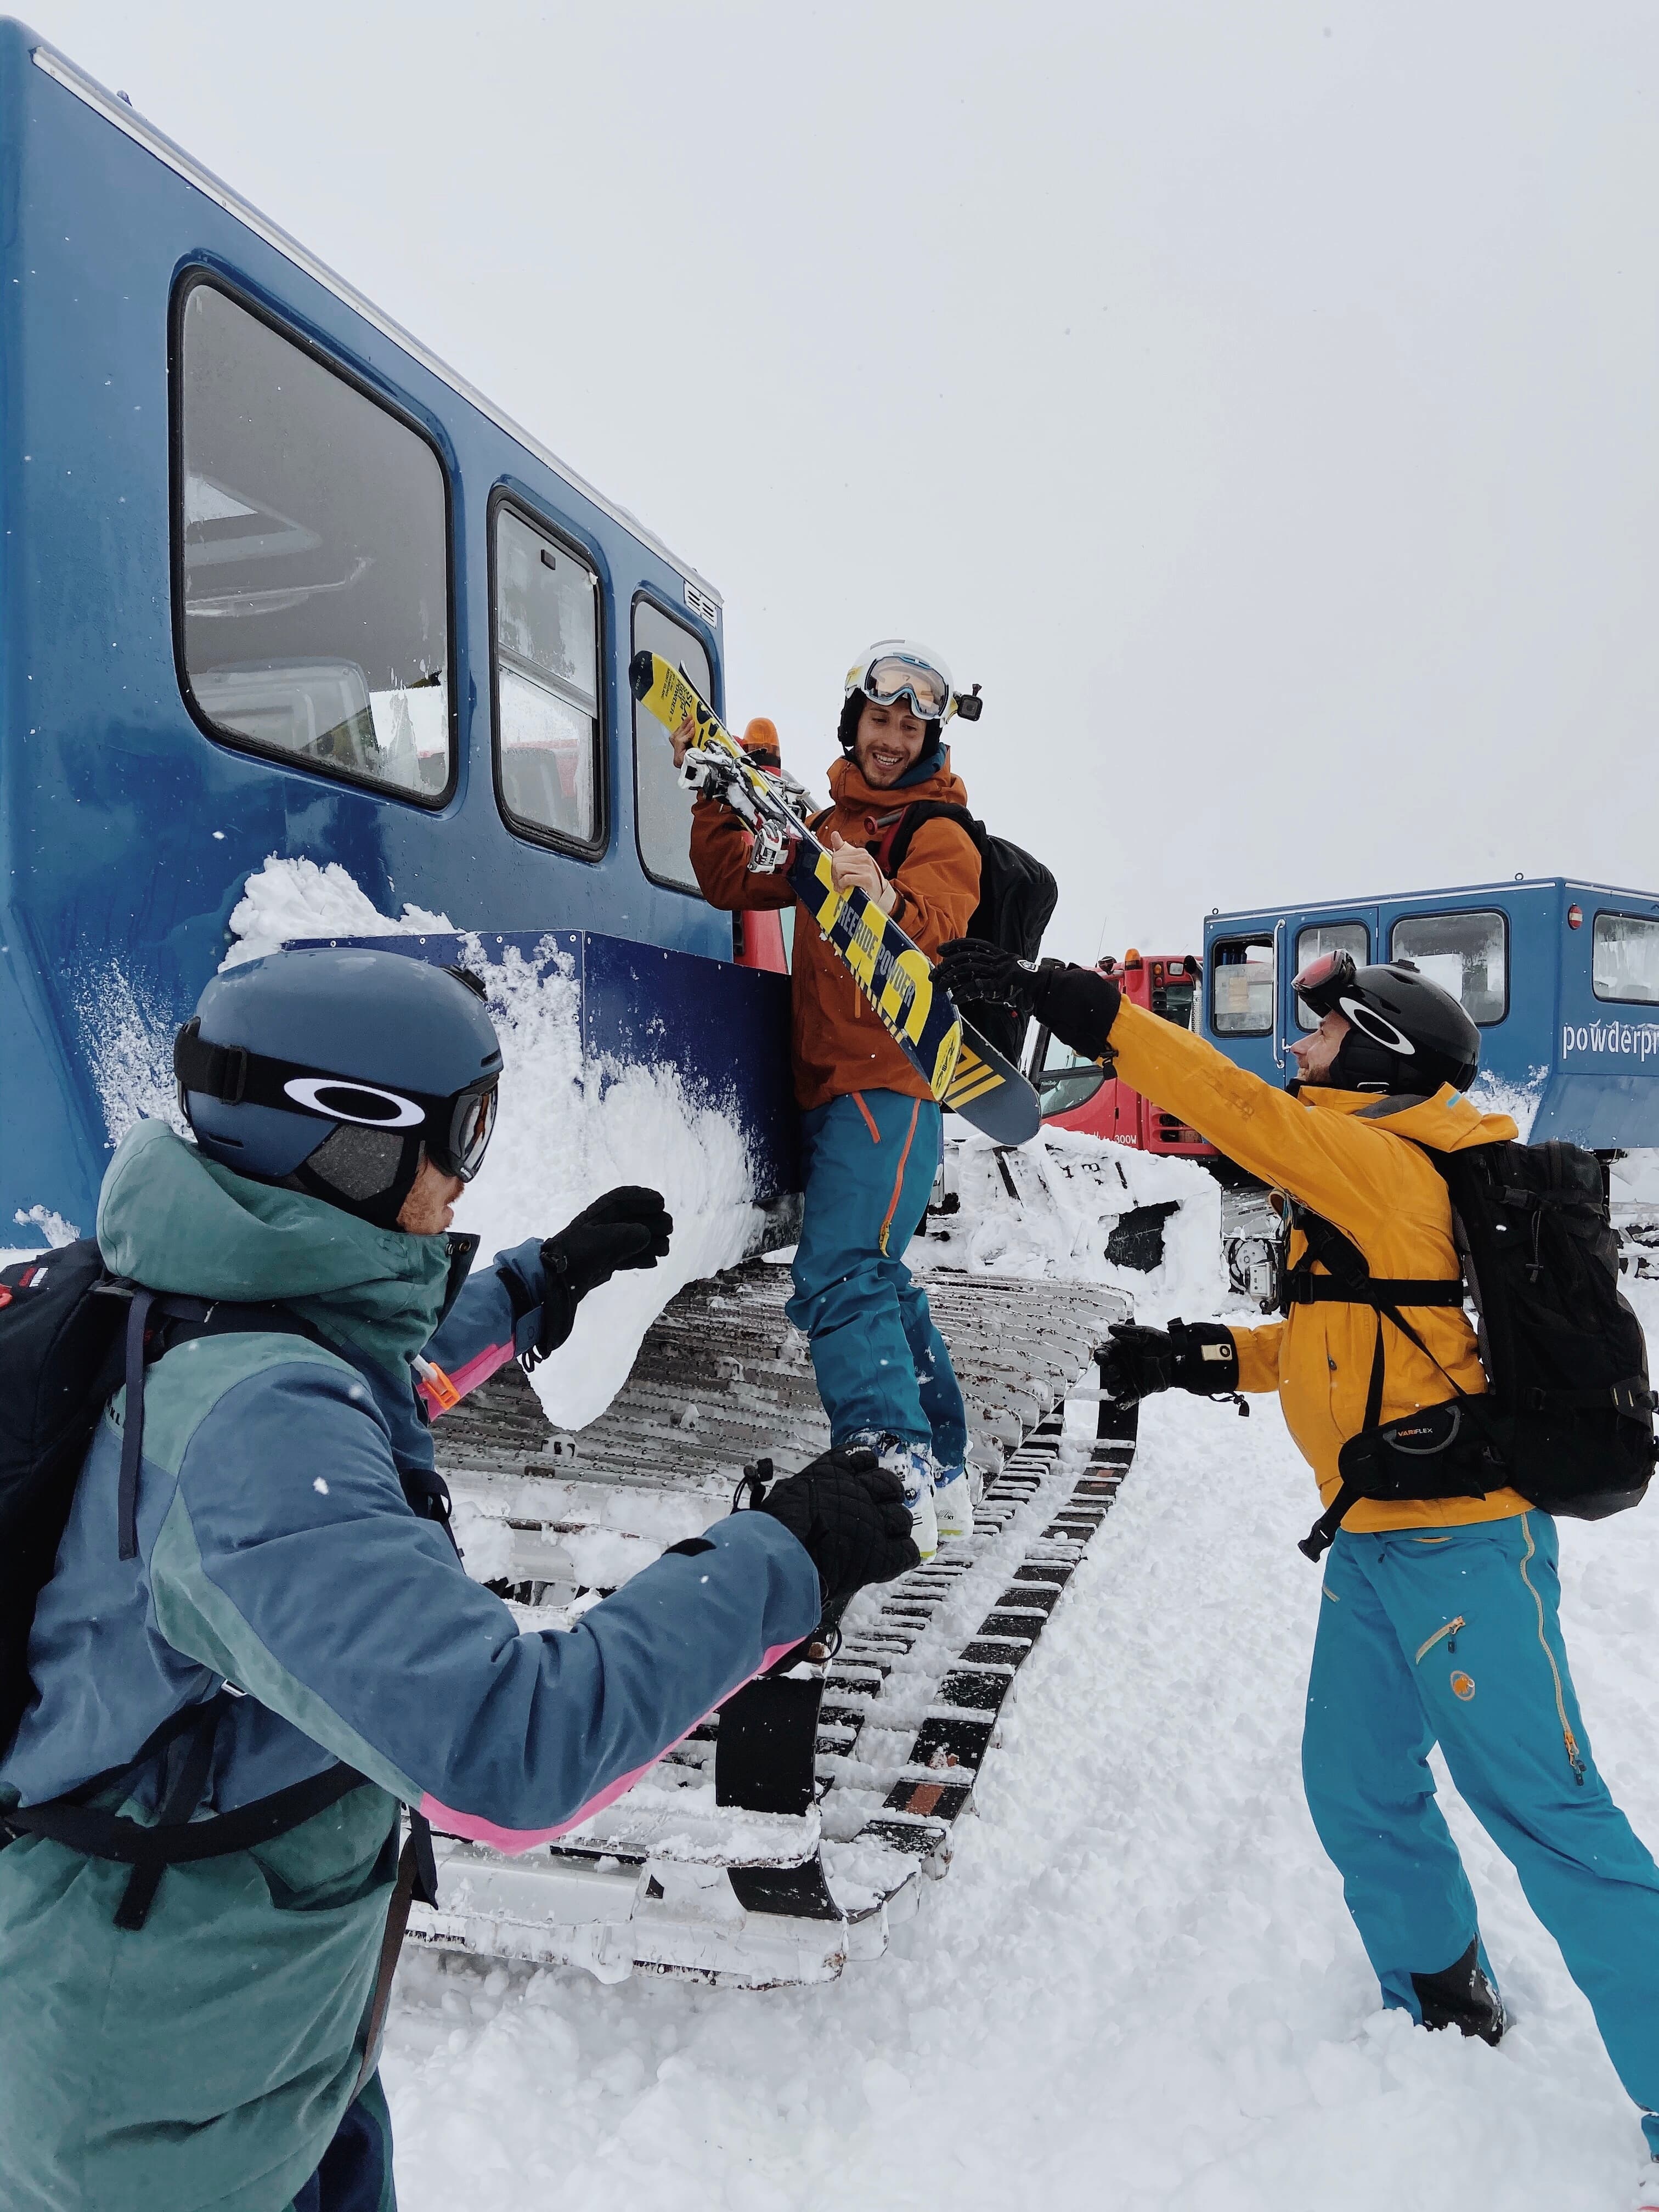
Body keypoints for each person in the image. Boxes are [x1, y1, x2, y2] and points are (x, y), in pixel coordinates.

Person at [0, 945, 917, 2212]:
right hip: (158, 2121)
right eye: (461, 1135)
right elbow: (507, 1752)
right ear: (351, 1144)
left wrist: (535, 1286)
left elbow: (372, 1385)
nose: (464, 1175)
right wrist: (784, 1557)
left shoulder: (203, 1286)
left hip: (262, 2028)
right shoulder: (252, 1437)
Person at [937, 935, 1659, 2189]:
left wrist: (1087, 1012)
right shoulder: (1368, 1184)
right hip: (1377, 1547)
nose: (1298, 1049)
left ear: (1377, 1053)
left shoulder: (1381, 1160)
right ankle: (1445, 2001)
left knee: (1554, 1820)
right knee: (1357, 1785)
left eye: (1322, 1034)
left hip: (1463, 1550)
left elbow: (1230, 1107)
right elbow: (1350, 1335)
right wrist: (1204, 1357)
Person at [678, 641, 983, 1559]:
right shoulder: (821, 830)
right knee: (873, 1277)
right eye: (879, 721)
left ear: (930, 739)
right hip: (825, 1089)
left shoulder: (938, 834)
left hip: (888, 1087)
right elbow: (733, 882)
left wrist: (881, 889)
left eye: (909, 726)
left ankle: (889, 1459)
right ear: (854, 723)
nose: (891, 740)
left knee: (841, 1272)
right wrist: (719, 800)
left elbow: (939, 922)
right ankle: (943, 1465)